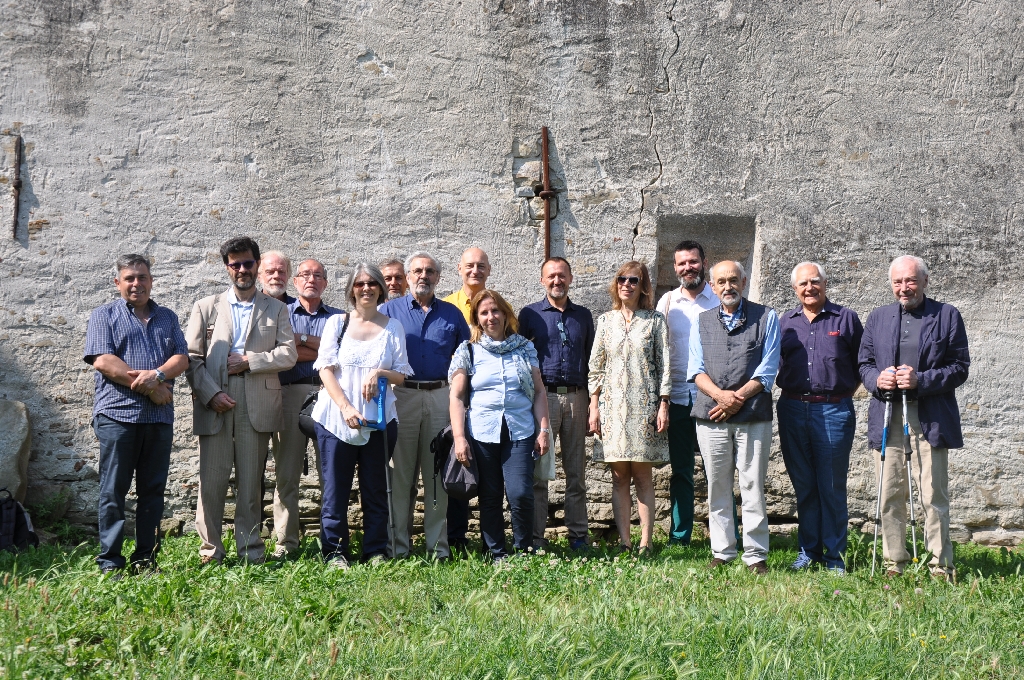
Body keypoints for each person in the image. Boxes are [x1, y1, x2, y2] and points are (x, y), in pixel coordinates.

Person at [185, 237, 297, 565]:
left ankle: (250, 551)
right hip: (215, 399)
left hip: (257, 403)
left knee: (251, 482)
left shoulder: (276, 308)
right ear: (227, 268)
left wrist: (250, 360)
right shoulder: (206, 307)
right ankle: (211, 553)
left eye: (248, 263)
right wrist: (211, 394)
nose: (242, 269)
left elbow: (288, 353)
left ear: (257, 265)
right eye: (235, 264)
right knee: (212, 483)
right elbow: (192, 358)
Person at [859, 255, 969, 580]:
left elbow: (959, 367)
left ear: (924, 281)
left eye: (910, 281)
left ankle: (940, 566)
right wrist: (877, 380)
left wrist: (922, 380)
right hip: (888, 414)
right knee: (890, 492)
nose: (903, 288)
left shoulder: (946, 315)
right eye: (897, 282)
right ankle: (896, 561)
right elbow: (864, 363)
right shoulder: (877, 318)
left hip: (930, 417)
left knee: (933, 495)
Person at [84, 254, 189, 578]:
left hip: (158, 420)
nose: (136, 284)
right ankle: (110, 561)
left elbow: (182, 358)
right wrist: (151, 388)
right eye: (129, 278)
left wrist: (157, 375)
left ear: (151, 281)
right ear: (118, 282)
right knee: (114, 491)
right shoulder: (104, 315)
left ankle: (145, 559)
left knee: (153, 491)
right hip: (118, 417)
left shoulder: (167, 317)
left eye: (142, 277)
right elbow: (103, 361)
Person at [311, 263, 412, 569]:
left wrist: (380, 372)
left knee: (375, 489)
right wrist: (346, 407)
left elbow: (402, 375)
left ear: (381, 288)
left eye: (371, 283)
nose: (366, 288)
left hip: (379, 422)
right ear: (351, 289)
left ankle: (375, 551)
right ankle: (335, 553)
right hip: (336, 419)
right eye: (359, 284)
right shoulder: (336, 324)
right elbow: (325, 369)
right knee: (334, 490)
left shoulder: (392, 327)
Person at [687, 261, 780, 574]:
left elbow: (767, 369)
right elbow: (696, 370)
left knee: (752, 484)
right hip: (711, 414)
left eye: (733, 280)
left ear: (744, 281)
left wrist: (736, 399)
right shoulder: (701, 321)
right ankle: (723, 551)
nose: (728, 287)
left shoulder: (767, 317)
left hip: (753, 415)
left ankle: (755, 555)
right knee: (718, 485)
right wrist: (722, 397)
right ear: (712, 287)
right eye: (721, 282)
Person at [379, 252, 470, 559]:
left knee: (435, 476)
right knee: (401, 475)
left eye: (430, 271)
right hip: (401, 395)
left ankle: (437, 548)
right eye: (417, 270)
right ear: (407, 276)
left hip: (440, 398)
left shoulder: (452, 314)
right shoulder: (388, 311)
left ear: (438, 277)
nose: (423, 276)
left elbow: (465, 357)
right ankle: (398, 547)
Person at [449, 290, 551, 560]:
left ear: (506, 314)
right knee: (490, 495)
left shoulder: (524, 348)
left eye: (496, 311)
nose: (491, 317)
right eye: (484, 313)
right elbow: (457, 396)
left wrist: (543, 430)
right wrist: (459, 438)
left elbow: (539, 392)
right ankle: (495, 552)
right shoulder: (468, 350)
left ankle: (524, 549)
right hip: (482, 431)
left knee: (520, 494)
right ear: (477, 319)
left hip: (520, 429)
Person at [777, 262, 862, 573]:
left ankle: (835, 557)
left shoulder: (846, 318)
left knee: (831, 485)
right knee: (804, 485)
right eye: (802, 284)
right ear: (794, 289)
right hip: (792, 408)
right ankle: (808, 552)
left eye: (815, 282)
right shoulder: (785, 322)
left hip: (833, 409)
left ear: (825, 284)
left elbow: (862, 364)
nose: (809, 288)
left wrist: (838, 395)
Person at [588, 262, 670, 556]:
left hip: (645, 407)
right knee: (619, 476)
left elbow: (665, 366)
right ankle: (625, 541)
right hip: (612, 408)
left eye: (633, 280)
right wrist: (594, 406)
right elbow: (595, 367)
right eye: (622, 279)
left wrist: (663, 404)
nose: (626, 284)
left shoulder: (655, 320)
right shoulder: (605, 321)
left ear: (643, 285)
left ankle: (646, 542)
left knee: (644, 477)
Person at [518, 257, 595, 550]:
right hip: (543, 398)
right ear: (542, 281)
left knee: (576, 473)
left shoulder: (584, 316)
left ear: (571, 278)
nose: (556, 281)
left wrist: (591, 402)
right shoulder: (530, 315)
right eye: (551, 276)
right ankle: (536, 538)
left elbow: (590, 358)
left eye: (562, 276)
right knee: (539, 472)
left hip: (577, 397)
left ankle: (578, 536)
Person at [268, 258, 340, 559]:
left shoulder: (339, 317)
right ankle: (285, 543)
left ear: (325, 283)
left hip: (331, 394)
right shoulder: (280, 313)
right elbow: (281, 354)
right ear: (295, 282)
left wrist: (301, 343)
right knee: (287, 472)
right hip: (291, 393)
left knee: (331, 473)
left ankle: (332, 544)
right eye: (305, 275)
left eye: (318, 275)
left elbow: (342, 355)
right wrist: (321, 347)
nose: (311, 279)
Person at [655, 240, 720, 546]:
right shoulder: (667, 303)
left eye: (692, 262)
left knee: (716, 471)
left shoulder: (719, 299)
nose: (687, 268)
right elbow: (658, 350)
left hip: (713, 398)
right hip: (679, 398)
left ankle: (724, 535)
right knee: (681, 470)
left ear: (703, 262)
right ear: (675, 268)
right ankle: (680, 536)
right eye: (681, 263)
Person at [442, 246, 492, 550]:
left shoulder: (498, 305)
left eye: (481, 266)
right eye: (470, 265)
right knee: (457, 463)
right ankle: (456, 537)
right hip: (456, 396)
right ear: (459, 269)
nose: (475, 271)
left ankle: (490, 538)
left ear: (489, 270)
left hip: (488, 397)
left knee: (488, 469)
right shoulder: (447, 306)